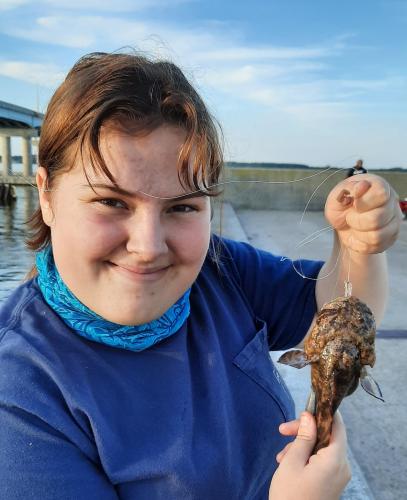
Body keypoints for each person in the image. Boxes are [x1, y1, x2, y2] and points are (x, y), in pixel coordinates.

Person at [0, 52, 401, 500]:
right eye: (111, 202)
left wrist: (360, 246)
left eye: (182, 207)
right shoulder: (18, 393)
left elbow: (336, 314)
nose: (149, 246)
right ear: (47, 195)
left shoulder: (221, 270)